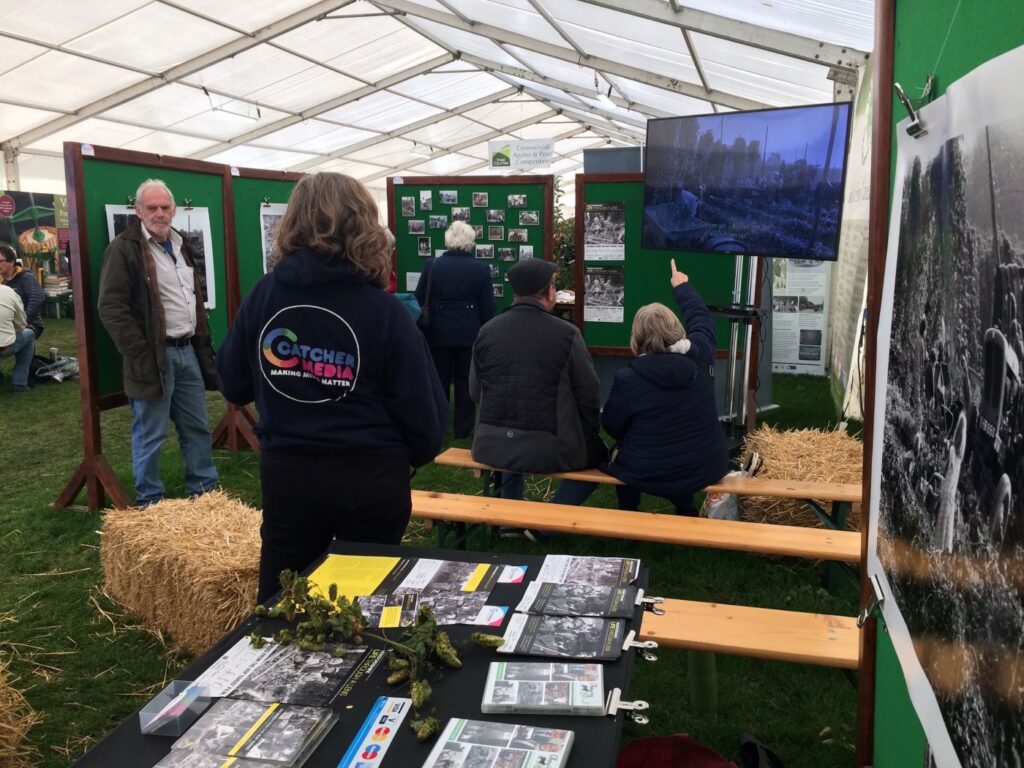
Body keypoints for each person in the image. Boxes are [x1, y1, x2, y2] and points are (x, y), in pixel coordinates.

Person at [216, 172, 448, 603]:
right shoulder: (384, 311)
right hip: (371, 477)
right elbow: (426, 417)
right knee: (365, 606)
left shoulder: (265, 295)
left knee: (285, 606)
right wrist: (408, 457)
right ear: (365, 225)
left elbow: (233, 382)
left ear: (292, 222)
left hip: (291, 475)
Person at [97, 179, 219, 506]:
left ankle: (205, 494)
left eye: (165, 207)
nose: (159, 213)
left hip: (187, 351)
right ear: (138, 211)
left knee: (196, 426)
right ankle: (150, 501)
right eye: (152, 208)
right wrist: (138, 351)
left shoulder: (180, 244)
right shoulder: (124, 248)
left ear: (174, 210)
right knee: (151, 432)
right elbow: (111, 306)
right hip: (153, 356)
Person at [470, 258, 605, 516]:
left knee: (514, 437)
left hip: (490, 445)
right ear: (549, 292)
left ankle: (509, 520)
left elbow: (475, 391)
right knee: (601, 458)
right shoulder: (567, 334)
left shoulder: (486, 331)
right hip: (548, 449)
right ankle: (546, 523)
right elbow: (588, 392)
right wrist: (591, 430)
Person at [601, 259, 728, 514]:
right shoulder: (701, 355)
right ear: (676, 327)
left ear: (637, 336)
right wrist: (682, 286)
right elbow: (701, 319)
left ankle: (628, 515)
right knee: (679, 449)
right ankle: (685, 508)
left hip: (646, 470)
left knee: (624, 458)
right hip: (704, 466)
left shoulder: (628, 379)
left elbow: (612, 426)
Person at [416, 220, 495, 438]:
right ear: (470, 241)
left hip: (437, 332)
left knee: (438, 380)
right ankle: (463, 428)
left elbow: (419, 298)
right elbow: (488, 307)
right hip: (469, 333)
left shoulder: (432, 265)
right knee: (465, 381)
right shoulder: (480, 269)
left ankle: (438, 426)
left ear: (448, 240)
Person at [0, 244, 44, 339]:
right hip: (5, 325)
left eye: (0, 261)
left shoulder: (26, 277)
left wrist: (24, 320)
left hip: (29, 324)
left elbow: (37, 298)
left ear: (12, 261)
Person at [0, 283, 34, 392]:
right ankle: (20, 382)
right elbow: (21, 325)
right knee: (29, 334)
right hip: (3, 347)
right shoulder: (8, 292)